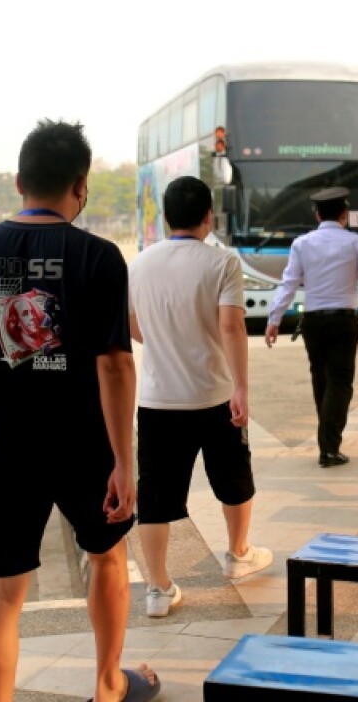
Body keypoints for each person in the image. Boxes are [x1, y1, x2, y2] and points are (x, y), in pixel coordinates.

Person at [0, 120, 159, 702]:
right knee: (107, 561)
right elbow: (114, 366)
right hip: (85, 446)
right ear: (80, 186)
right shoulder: (99, 256)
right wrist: (123, 462)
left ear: (18, 181)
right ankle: (109, 685)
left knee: (3, 591)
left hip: (6, 450)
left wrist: (4, 398)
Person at [128, 176, 272, 620]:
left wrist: (162, 341)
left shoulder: (139, 263)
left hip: (157, 401)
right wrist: (242, 388)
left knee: (155, 495)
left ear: (166, 216)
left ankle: (157, 587)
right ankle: (237, 554)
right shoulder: (222, 262)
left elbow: (132, 327)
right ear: (209, 217)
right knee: (232, 477)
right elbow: (231, 327)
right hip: (214, 395)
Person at [266, 187, 358, 467]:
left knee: (321, 380)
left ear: (317, 215)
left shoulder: (301, 244)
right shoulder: (356, 243)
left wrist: (274, 319)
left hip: (314, 322)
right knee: (340, 384)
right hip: (343, 320)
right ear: (345, 215)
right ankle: (329, 447)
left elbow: (289, 284)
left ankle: (327, 442)